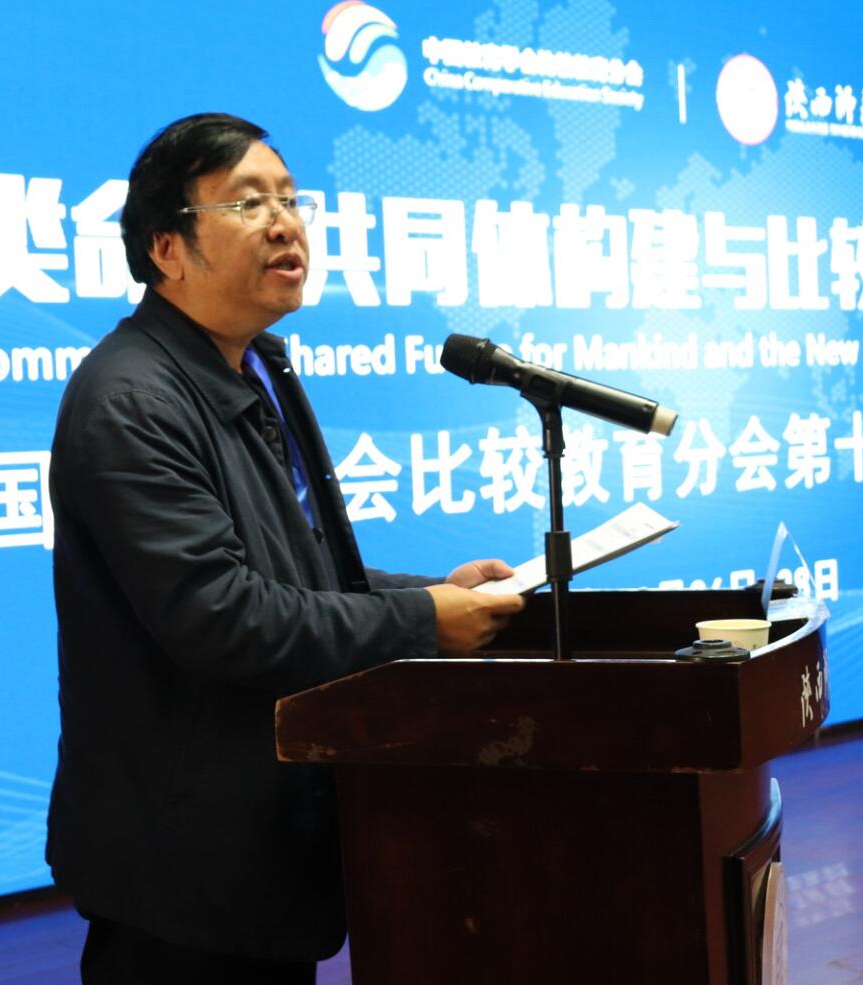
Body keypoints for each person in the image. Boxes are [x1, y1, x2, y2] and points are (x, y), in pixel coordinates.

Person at [45, 113, 526, 984]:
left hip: (260, 842)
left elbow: (297, 569)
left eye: (291, 199)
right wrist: (421, 623)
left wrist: (435, 590)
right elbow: (222, 614)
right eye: (246, 203)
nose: (283, 223)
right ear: (166, 248)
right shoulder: (131, 400)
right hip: (182, 861)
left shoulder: (255, 363)